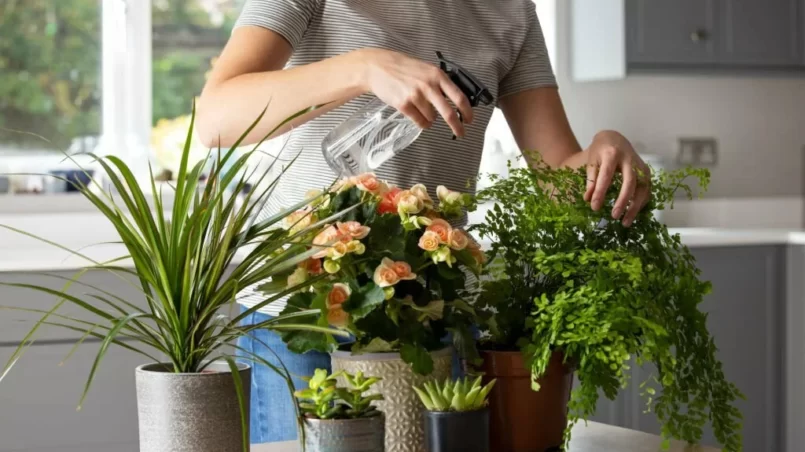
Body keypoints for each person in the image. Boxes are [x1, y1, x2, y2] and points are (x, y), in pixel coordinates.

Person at [198, 0, 652, 444]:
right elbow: (216, 117)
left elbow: (559, 179)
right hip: (305, 315)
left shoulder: (510, 11)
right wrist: (364, 68)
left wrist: (606, 152)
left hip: (429, 316)